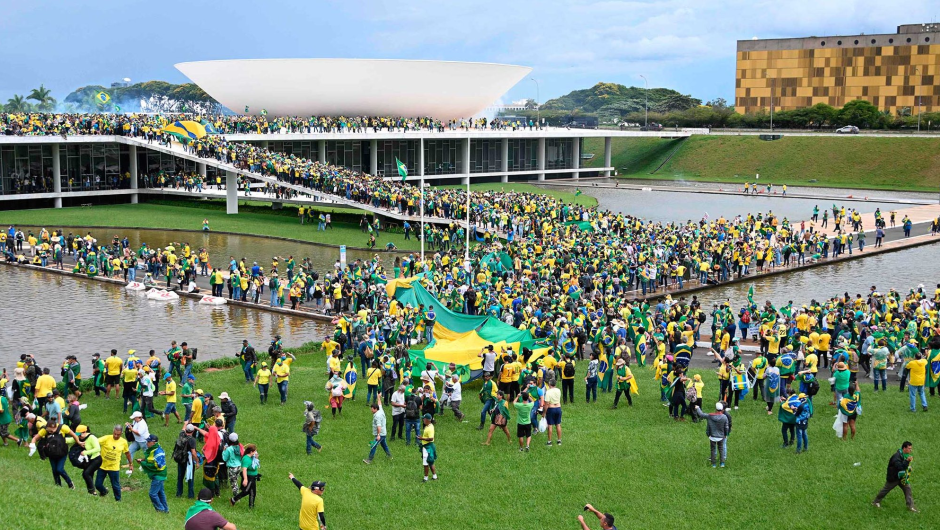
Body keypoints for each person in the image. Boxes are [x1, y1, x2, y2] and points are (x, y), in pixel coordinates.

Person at [29, 417, 82, 488]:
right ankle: (58, 485)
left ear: (56, 427)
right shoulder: (44, 430)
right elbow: (35, 438)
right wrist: (32, 445)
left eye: (52, 431)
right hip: (51, 453)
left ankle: (70, 483)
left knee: (59, 469)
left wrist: (78, 442)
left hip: (62, 452)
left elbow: (74, 435)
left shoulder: (63, 427)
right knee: (54, 470)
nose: (50, 432)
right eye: (49, 431)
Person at [872, 441, 917, 512]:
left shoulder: (904, 455)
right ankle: (876, 502)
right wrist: (907, 461)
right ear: (904, 448)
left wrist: (908, 467)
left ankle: (910, 506)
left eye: (911, 448)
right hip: (894, 478)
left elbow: (904, 467)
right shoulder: (896, 457)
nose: (910, 450)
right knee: (885, 490)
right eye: (909, 448)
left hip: (902, 477)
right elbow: (900, 467)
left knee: (908, 489)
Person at [95, 424, 134, 501]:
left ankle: (118, 500)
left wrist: (130, 464)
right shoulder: (106, 438)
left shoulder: (123, 442)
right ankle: (104, 492)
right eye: (115, 434)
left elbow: (127, 453)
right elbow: (95, 441)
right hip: (102, 465)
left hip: (114, 467)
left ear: (121, 433)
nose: (116, 436)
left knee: (115, 485)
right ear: (113, 431)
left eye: (118, 434)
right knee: (98, 484)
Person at [138, 434, 169, 513]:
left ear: (153, 443)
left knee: (152, 494)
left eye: (148, 442)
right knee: (160, 493)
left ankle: (161, 509)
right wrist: (142, 460)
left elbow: (157, 466)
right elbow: (150, 458)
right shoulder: (153, 449)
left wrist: (143, 464)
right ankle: (165, 510)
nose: (146, 443)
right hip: (158, 475)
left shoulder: (158, 452)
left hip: (159, 475)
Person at [693, 402, 730, 468]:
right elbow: (726, 427)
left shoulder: (710, 416)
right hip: (721, 437)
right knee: (721, 449)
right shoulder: (724, 417)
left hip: (712, 436)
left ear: (716, 408)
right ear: (722, 409)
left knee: (713, 450)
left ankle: (713, 464)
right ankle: (722, 463)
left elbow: (701, 414)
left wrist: (698, 408)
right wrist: (726, 434)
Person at [230, 443, 259, 508]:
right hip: (249, 478)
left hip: (253, 477)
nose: (256, 452)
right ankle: (234, 499)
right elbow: (244, 470)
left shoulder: (252, 457)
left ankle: (251, 506)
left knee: (252, 492)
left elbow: (255, 464)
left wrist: (256, 457)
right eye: (255, 451)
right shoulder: (246, 459)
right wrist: (245, 479)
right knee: (246, 491)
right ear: (251, 452)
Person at [175, 424, 200, 498]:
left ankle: (179, 493)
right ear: (193, 431)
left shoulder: (181, 435)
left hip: (180, 459)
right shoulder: (192, 440)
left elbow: (183, 428)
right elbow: (193, 452)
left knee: (180, 477)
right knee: (190, 477)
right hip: (188, 460)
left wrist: (186, 423)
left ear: (186, 430)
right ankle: (190, 495)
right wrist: (197, 461)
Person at [415, 413, 437, 482]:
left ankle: (425, 478)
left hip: (427, 447)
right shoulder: (429, 426)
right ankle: (434, 476)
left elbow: (431, 438)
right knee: (431, 462)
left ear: (427, 420)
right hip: (429, 446)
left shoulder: (429, 428)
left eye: (424, 418)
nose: (423, 420)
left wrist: (422, 438)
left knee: (425, 463)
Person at [222, 433, 244, 498]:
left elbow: (224, 458)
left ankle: (237, 497)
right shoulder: (240, 446)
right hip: (239, 466)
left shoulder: (229, 449)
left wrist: (224, 451)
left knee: (233, 483)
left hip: (232, 467)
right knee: (235, 480)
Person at [544, 379, 563, 446]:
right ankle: (559, 440)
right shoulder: (558, 390)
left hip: (551, 409)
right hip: (558, 408)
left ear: (549, 384)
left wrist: (544, 413)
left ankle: (549, 441)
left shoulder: (548, 392)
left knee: (550, 425)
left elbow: (547, 404)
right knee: (558, 424)